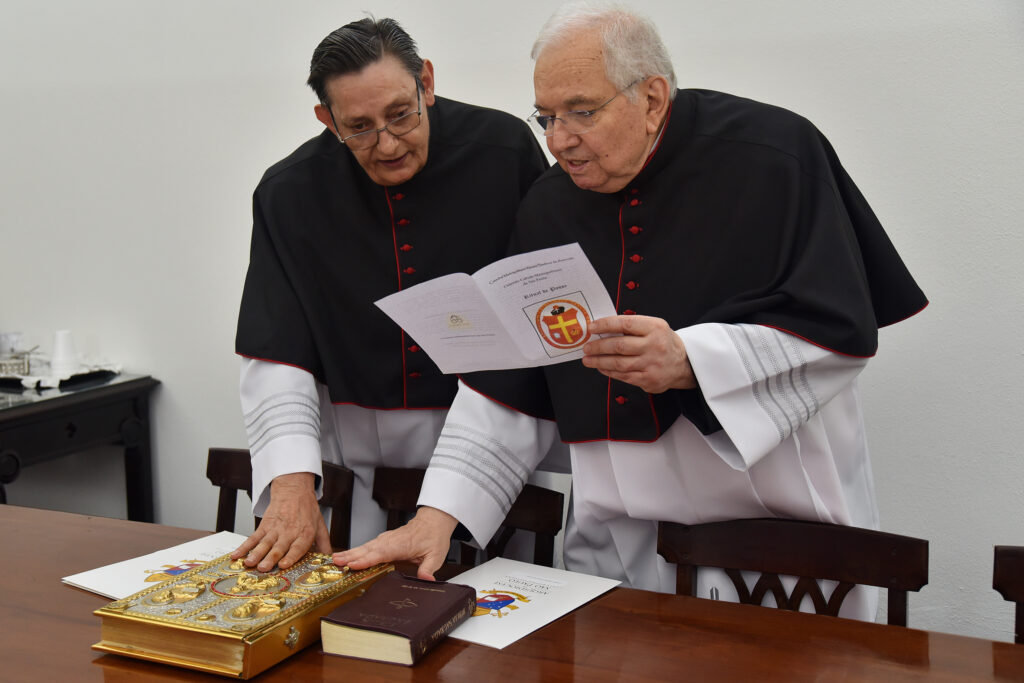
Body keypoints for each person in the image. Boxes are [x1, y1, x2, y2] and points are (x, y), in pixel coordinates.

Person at [334, 1, 927, 621]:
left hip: (781, 537)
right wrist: (438, 514)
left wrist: (691, 359)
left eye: (581, 112)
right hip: (624, 539)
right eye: (546, 117)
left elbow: (840, 329)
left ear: (651, 98)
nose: (559, 140)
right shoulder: (548, 207)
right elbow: (513, 379)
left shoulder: (775, 155)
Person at [231, 17, 552, 573]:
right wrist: (289, 481)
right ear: (326, 120)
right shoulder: (289, 192)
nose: (386, 143)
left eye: (401, 114)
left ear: (426, 82)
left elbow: (538, 308)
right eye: (358, 127)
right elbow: (275, 345)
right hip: (359, 452)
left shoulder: (504, 150)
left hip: (497, 434)